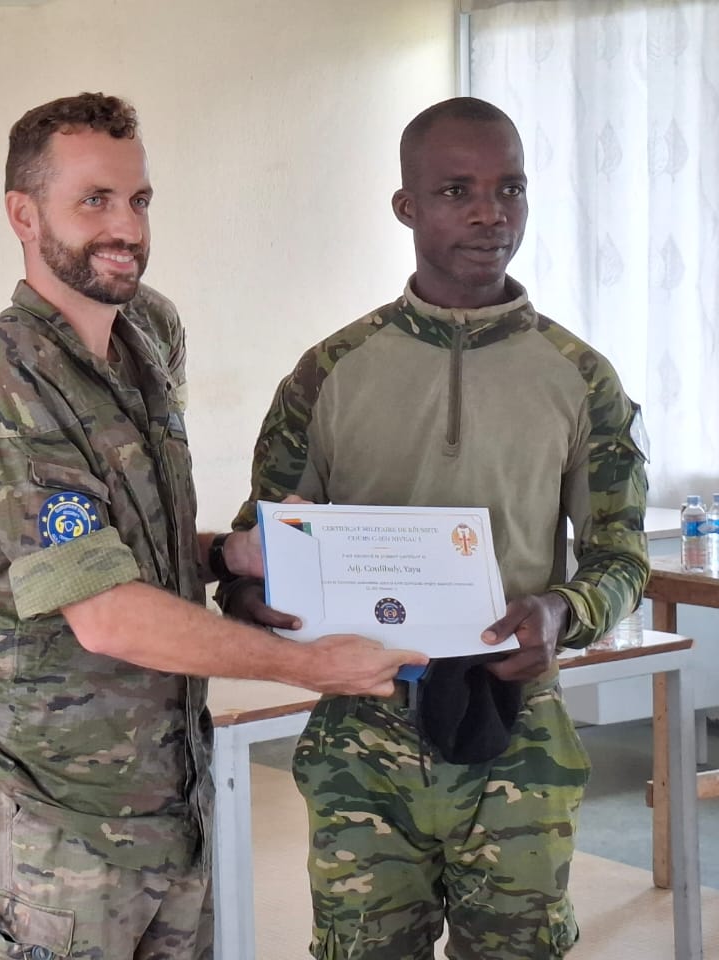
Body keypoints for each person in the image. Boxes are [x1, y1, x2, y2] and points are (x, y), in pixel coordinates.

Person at [0, 92, 423, 960]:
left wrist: (229, 553)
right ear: (22, 213)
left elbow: (132, 554)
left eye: (140, 200)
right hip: (57, 820)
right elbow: (105, 610)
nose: (126, 226)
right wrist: (311, 665)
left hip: (172, 795)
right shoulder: (2, 382)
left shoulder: (150, 333)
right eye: (94, 201)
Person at [221, 97, 649, 959]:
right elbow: (261, 537)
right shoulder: (331, 372)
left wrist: (566, 613)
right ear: (407, 206)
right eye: (457, 189)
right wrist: (249, 592)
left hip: (516, 725)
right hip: (362, 730)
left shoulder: (580, 378)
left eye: (510, 189)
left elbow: (620, 553)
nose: (491, 213)